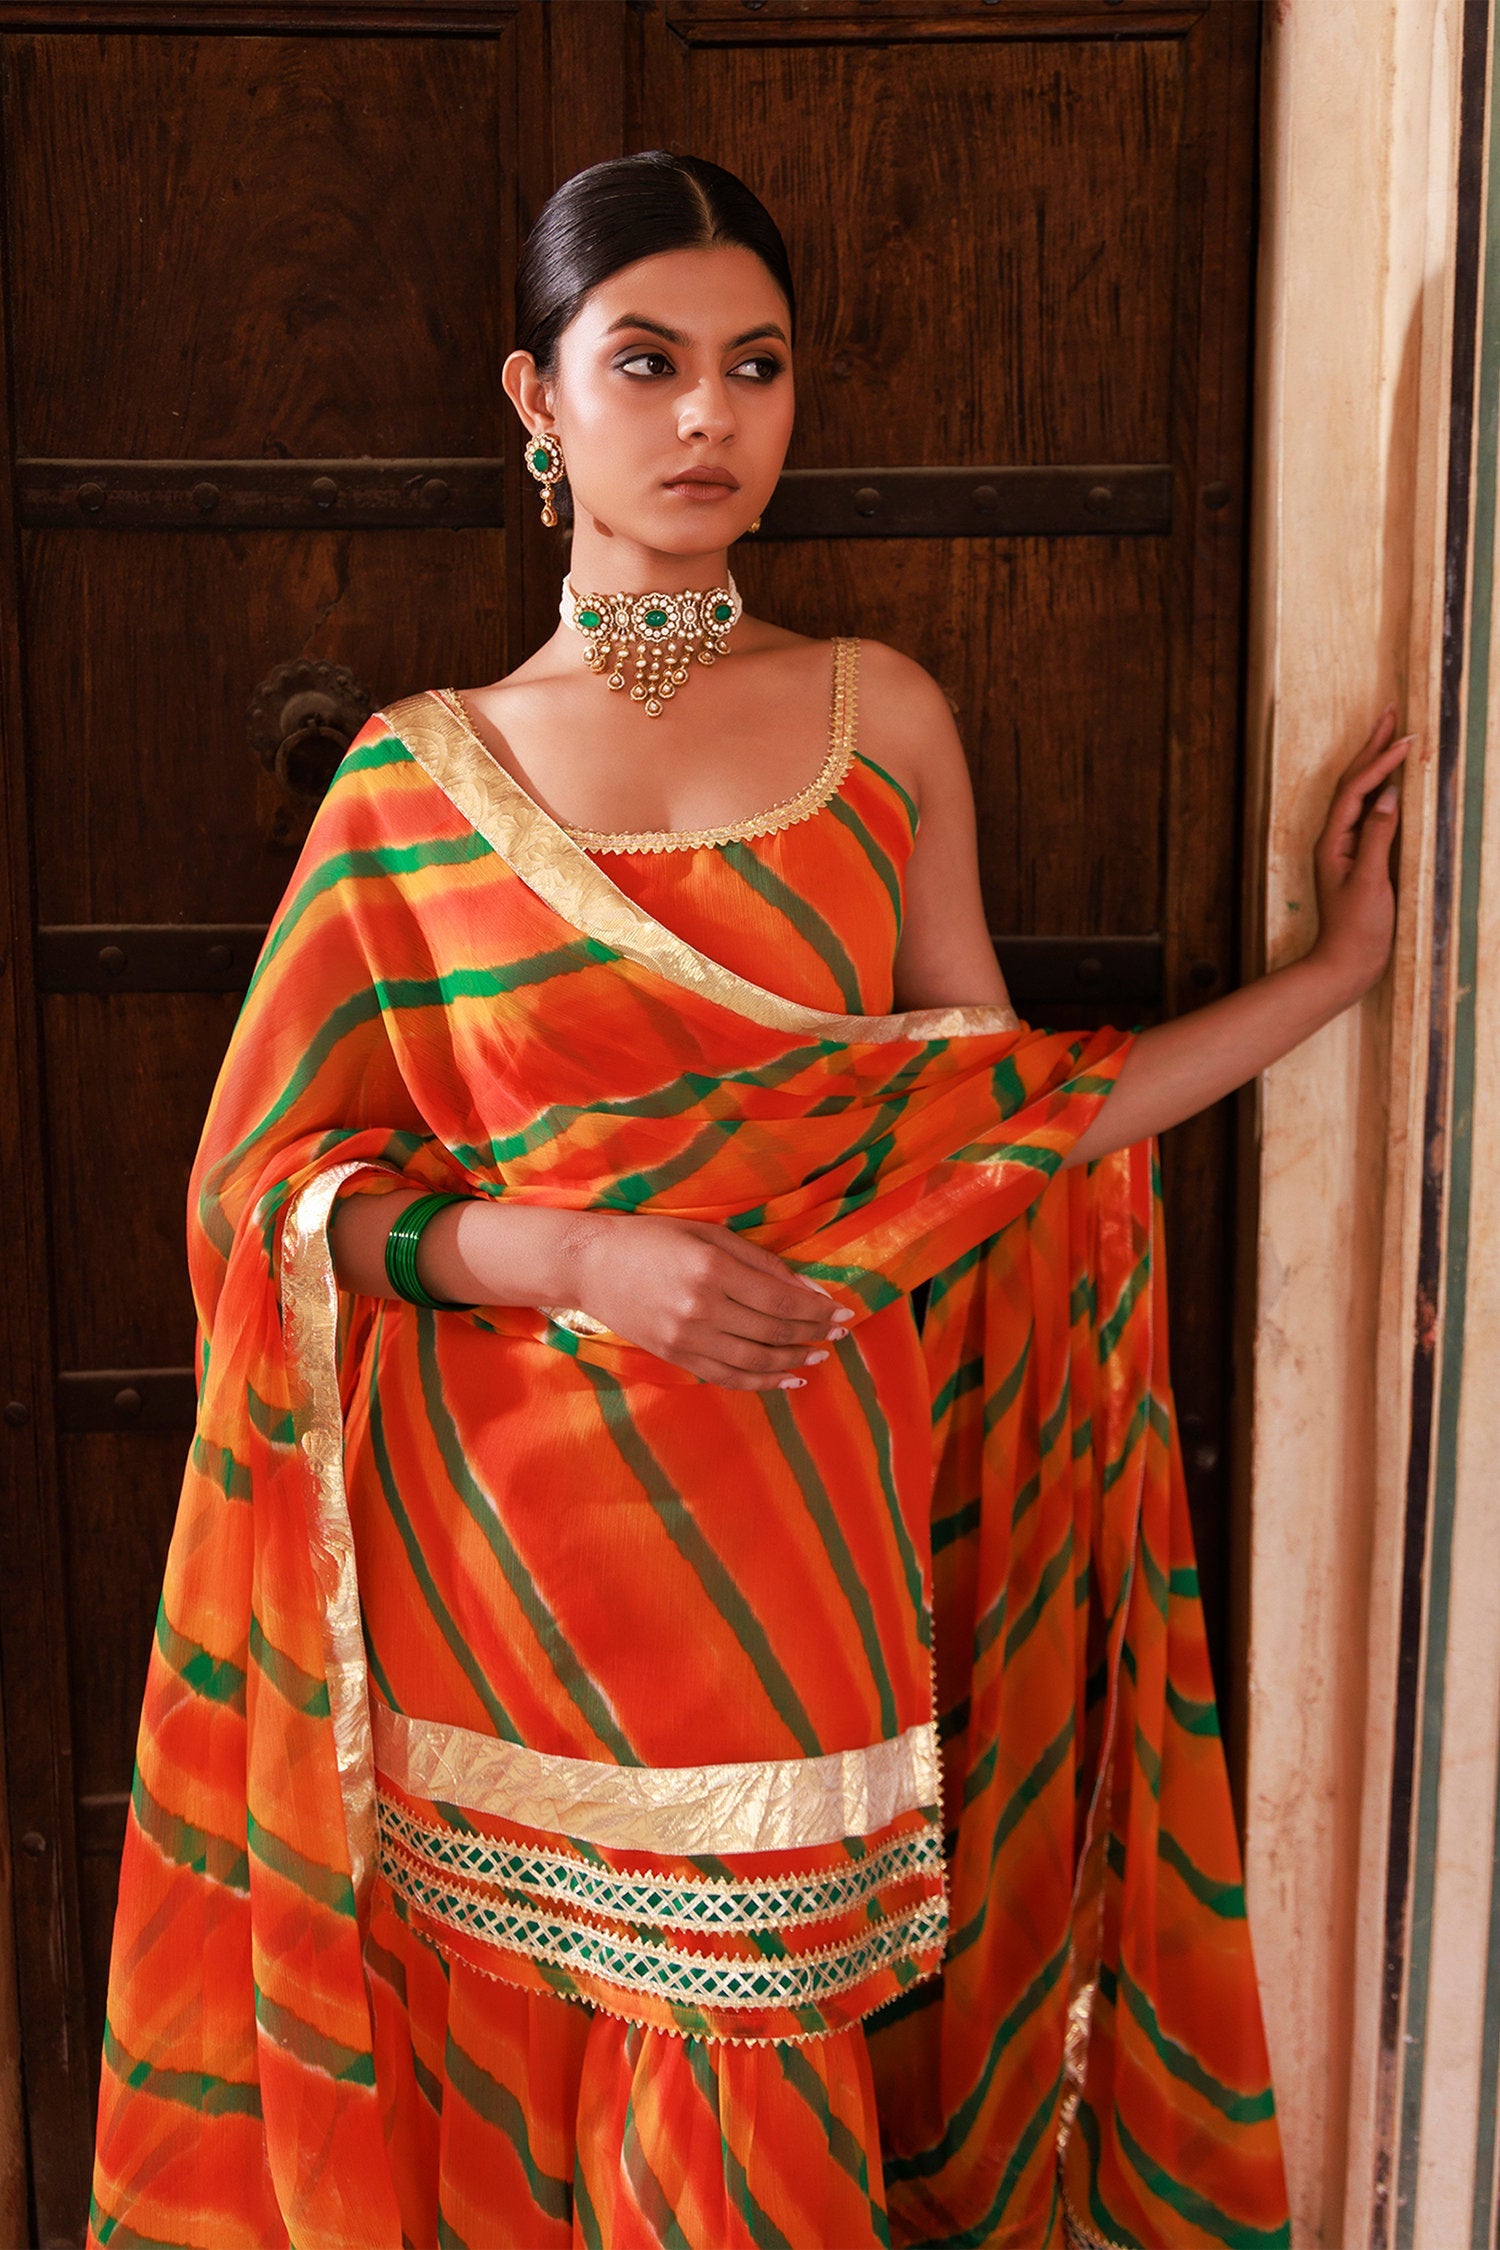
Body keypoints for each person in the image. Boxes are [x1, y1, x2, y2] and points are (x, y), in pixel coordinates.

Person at [89, 152, 1407, 2250]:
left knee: (751, 2073)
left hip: (797, 1521)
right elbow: (262, 1193)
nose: (710, 414)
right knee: (514, 2078)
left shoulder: (884, 724)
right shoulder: (416, 784)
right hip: (504, 1559)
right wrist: (575, 1255)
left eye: (756, 366)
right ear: (537, 398)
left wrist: (1335, 977)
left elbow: (1002, 1126)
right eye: (648, 362)